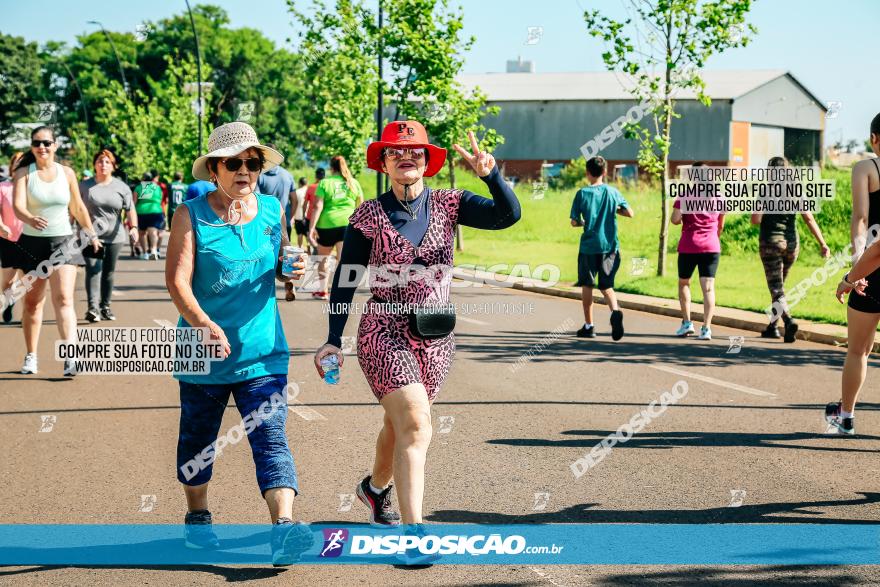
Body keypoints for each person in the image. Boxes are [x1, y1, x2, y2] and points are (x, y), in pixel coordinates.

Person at [313, 121, 520, 562]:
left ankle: (373, 490)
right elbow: (346, 282)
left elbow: (508, 216)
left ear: (427, 162)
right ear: (383, 162)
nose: (407, 159)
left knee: (400, 425)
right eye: (396, 153)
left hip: (437, 338)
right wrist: (333, 338)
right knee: (418, 425)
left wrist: (491, 175)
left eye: (416, 153)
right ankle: (414, 537)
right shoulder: (367, 216)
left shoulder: (450, 203)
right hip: (384, 333)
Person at [166, 121, 311, 565]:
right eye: (235, 163)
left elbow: (279, 263)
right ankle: (198, 517)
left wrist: (292, 273)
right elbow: (177, 281)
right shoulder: (189, 214)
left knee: (270, 438)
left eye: (253, 162)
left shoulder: (271, 209)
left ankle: (284, 528)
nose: (245, 170)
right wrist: (204, 324)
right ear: (214, 169)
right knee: (198, 443)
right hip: (201, 353)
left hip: (262, 352)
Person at [12, 126, 102, 376]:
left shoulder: (67, 173)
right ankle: (31, 356)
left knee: (64, 299)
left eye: (47, 143)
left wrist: (91, 233)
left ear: (55, 145)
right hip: (32, 244)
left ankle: (70, 358)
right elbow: (18, 206)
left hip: (63, 242)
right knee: (32, 303)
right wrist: (29, 218)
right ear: (32, 146)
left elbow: (78, 207)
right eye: (37, 143)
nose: (42, 147)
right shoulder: (23, 173)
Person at [829, 113, 880, 435]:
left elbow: (861, 218)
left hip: (873, 269)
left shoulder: (866, 168)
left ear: (874, 138)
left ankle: (845, 415)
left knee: (858, 349)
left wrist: (853, 271)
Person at [751, 156, 830, 342]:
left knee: (776, 288)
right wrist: (823, 243)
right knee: (779, 289)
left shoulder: (766, 190)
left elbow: (756, 219)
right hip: (792, 245)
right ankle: (772, 327)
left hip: (771, 244)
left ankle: (788, 321)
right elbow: (808, 218)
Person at [570, 155, 633, 340]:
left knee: (587, 284)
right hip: (610, 247)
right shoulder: (613, 192)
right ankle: (615, 311)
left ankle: (589, 326)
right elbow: (630, 213)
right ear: (605, 172)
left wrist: (583, 222)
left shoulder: (582, 193)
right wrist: (615, 210)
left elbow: (574, 222)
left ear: (587, 173)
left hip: (589, 247)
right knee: (606, 285)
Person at [79, 149, 139, 322]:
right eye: (99, 161)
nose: (103, 164)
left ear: (113, 166)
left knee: (108, 272)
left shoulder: (122, 187)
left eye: (107, 162)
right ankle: (93, 308)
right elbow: (76, 208)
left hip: (114, 237)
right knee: (93, 270)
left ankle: (105, 306)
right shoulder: (84, 186)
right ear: (94, 165)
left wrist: (133, 227)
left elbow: (130, 209)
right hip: (90, 237)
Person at [670, 162, 724, 340]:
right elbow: (720, 226)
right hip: (711, 246)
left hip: (688, 246)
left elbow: (675, 220)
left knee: (684, 283)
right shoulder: (719, 197)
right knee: (708, 289)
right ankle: (706, 329)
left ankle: (686, 324)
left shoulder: (685, 196)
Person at [307, 157, 363, 300]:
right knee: (342, 259)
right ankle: (341, 292)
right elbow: (361, 206)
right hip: (347, 224)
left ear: (331, 168)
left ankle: (323, 290)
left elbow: (317, 206)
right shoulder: (353, 183)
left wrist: (312, 228)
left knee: (323, 259)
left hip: (327, 225)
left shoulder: (325, 183)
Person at [257, 149, 297, 301]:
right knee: (286, 253)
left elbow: (255, 197)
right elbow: (295, 199)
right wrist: (290, 217)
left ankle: (263, 287)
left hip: (262, 223)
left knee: (263, 255)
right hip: (282, 219)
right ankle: (290, 279)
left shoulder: (258, 175)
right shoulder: (287, 175)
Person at [0, 153, 25, 323]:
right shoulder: (3, 187)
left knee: (27, 280)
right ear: (12, 166)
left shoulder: (32, 188)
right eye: (17, 163)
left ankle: (29, 315)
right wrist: (1, 225)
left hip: (29, 240)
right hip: (7, 239)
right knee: (8, 281)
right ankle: (9, 303)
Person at [134, 172, 164, 260]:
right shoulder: (157, 187)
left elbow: (134, 202)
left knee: (142, 233)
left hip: (141, 212)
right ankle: (154, 250)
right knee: (153, 231)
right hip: (155, 211)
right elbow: (160, 199)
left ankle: (145, 253)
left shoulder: (138, 188)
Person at [303, 167, 324, 256]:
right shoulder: (325, 187)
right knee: (318, 235)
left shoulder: (311, 187)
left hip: (310, 215)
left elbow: (305, 203)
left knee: (309, 234)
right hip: (322, 215)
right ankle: (317, 249)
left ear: (316, 176)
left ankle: (315, 247)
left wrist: (303, 214)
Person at [291, 177, 309, 249]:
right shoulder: (309, 190)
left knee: (299, 233)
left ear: (299, 183)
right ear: (306, 183)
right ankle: (309, 249)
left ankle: (300, 248)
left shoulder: (296, 192)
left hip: (298, 216)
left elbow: (293, 204)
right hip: (307, 216)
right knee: (308, 233)